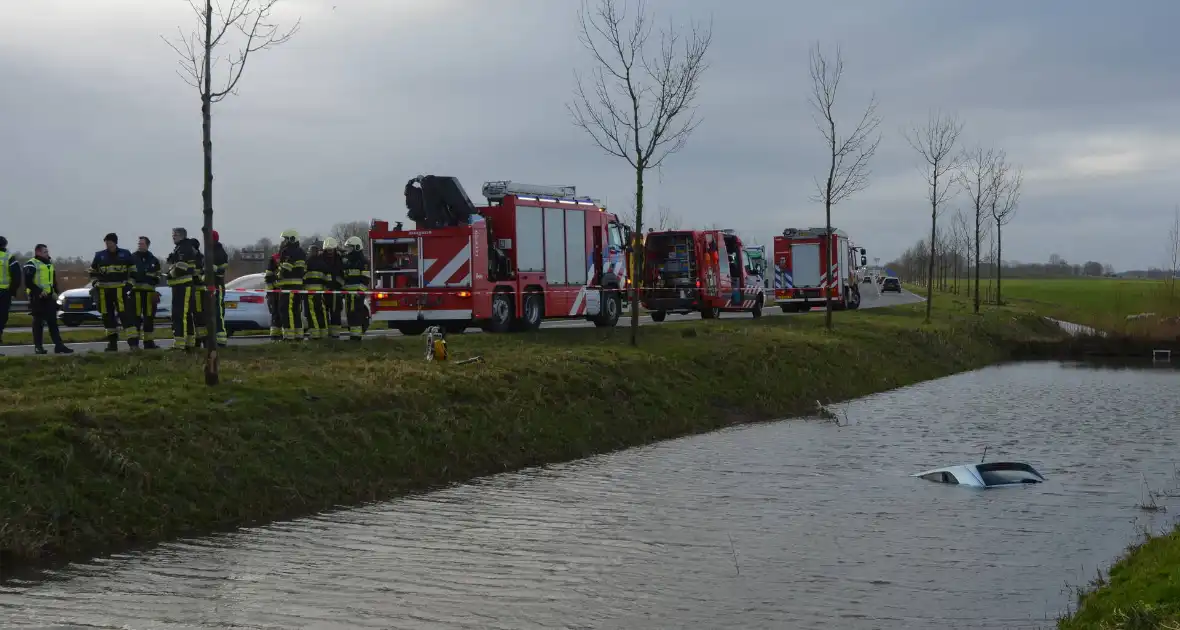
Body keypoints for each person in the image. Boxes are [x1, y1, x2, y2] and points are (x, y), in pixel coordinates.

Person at [88, 232, 136, 351]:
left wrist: (129, 285)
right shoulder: (99, 256)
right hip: (104, 292)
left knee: (126, 317)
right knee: (107, 318)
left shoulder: (125, 254)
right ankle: (112, 344)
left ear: (115, 242)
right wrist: (95, 283)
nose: (107, 244)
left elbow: (134, 271)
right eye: (106, 242)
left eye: (109, 242)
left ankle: (133, 344)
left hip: (120, 291)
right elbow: (92, 272)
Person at [23, 244, 73, 355]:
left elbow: (52, 281)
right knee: (38, 323)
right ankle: (38, 347)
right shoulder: (31, 264)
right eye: (45, 252)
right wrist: (39, 292)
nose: (47, 253)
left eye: (47, 251)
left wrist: (56, 292)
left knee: (53, 322)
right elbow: (28, 282)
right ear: (38, 252)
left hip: (49, 297)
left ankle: (59, 346)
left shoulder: (49, 264)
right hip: (37, 297)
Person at [166, 228, 199, 350]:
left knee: (180, 314)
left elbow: (181, 266)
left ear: (182, 236)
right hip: (181, 285)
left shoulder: (184, 248)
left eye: (175, 235)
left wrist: (170, 272)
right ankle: (189, 342)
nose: (173, 237)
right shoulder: (182, 247)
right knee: (186, 314)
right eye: (172, 234)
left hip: (183, 285)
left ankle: (180, 344)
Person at [129, 236, 162, 350]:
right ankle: (134, 344)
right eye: (139, 244)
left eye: (142, 244)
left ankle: (149, 343)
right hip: (136, 293)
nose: (140, 245)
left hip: (149, 294)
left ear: (147, 245)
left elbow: (158, 276)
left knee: (149, 319)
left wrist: (147, 278)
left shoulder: (153, 259)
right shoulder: (132, 258)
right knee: (135, 319)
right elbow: (130, 275)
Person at [275, 229, 306, 341]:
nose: (284, 241)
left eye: (286, 239)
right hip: (298, 286)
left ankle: (289, 336)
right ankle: (298, 335)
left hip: (288, 286)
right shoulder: (301, 252)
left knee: (287, 310)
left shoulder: (287, 251)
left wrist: (277, 275)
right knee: (296, 310)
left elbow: (286, 268)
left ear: (292, 239)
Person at [341, 236, 370, 341]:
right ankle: (353, 336)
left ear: (357, 247)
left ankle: (356, 337)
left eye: (351, 247)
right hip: (349, 294)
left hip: (357, 294)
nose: (349, 250)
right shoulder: (348, 261)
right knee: (350, 315)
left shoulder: (363, 262)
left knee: (356, 315)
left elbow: (366, 279)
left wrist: (360, 292)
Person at [303, 243, 329, 340]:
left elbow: (303, 277)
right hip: (321, 293)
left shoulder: (307, 262)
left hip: (310, 292)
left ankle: (315, 334)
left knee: (312, 313)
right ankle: (323, 333)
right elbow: (328, 279)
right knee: (321, 312)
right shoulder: (323, 263)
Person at [321, 237, 344, 339]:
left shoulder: (340, 259)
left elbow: (343, 275)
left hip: (336, 291)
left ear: (335, 249)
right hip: (323, 290)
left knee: (335, 313)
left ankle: (335, 335)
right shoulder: (320, 259)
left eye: (331, 250)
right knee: (323, 312)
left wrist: (339, 286)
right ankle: (325, 334)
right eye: (328, 250)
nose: (330, 252)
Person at [209, 230, 230, 347]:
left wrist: (215, 269)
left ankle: (221, 339)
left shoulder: (220, 252)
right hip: (209, 286)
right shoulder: (209, 251)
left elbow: (222, 270)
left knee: (218, 312)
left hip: (218, 286)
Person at [0, 236, 22, 345]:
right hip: (4, 293)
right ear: (5, 245)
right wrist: (13, 291)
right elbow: (17, 276)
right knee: (2, 318)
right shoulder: (9, 258)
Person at [190, 237, 207, 347]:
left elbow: (203, 275)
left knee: (199, 316)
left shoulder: (200, 259)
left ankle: (202, 339)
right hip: (192, 290)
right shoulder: (197, 257)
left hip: (198, 291)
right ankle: (198, 338)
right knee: (194, 316)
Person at [264, 250, 281, 341]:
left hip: (274, 293)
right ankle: (275, 334)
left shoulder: (274, 261)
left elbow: (268, 278)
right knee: (277, 313)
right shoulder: (279, 261)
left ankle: (275, 334)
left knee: (276, 313)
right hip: (276, 293)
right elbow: (269, 279)